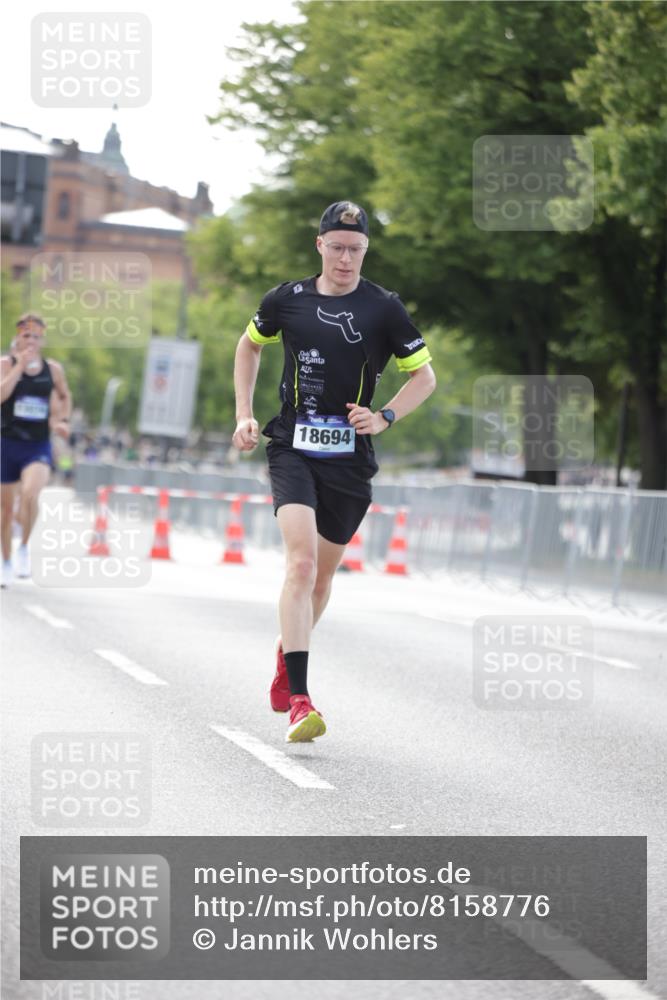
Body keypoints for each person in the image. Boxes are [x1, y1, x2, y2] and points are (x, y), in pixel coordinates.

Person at [232, 201, 436, 743]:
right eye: (338, 247)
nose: (347, 259)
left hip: (349, 459)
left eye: (358, 250)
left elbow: (425, 378)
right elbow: (249, 346)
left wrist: (385, 415)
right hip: (292, 446)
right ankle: (300, 700)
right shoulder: (287, 300)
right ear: (319, 245)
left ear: (366, 252)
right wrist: (244, 413)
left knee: (321, 579)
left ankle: (285, 654)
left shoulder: (384, 309)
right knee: (299, 566)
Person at [1, 313, 72, 586]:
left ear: (42, 340)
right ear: (18, 337)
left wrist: (62, 420)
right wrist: (19, 367)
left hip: (36, 445)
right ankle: (5, 561)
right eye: (26, 335)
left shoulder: (52, 370)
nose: (31, 341)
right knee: (5, 512)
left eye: (36, 336)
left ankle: (23, 548)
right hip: (6, 443)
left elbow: (64, 396)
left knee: (31, 495)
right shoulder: (5, 365)